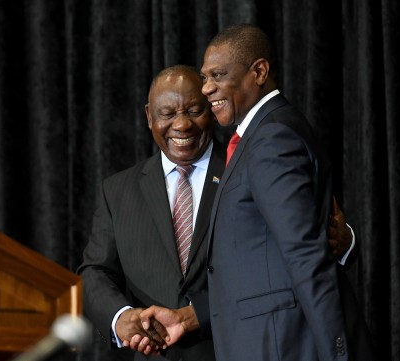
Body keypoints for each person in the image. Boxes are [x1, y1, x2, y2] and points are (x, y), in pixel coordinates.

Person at [77, 64, 357, 361]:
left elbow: (288, 259)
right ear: (149, 116)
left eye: (194, 110)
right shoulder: (117, 190)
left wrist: (344, 241)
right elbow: (95, 270)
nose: (182, 125)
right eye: (168, 114)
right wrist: (120, 318)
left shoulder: (252, 165)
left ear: (212, 109)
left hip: (245, 349)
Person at [136, 24, 374, 361]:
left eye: (217, 75)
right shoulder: (259, 136)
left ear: (258, 71)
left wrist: (339, 353)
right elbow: (259, 264)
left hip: (284, 347)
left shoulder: (272, 139)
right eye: (204, 77)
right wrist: (190, 318)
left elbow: (305, 258)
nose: (206, 89)